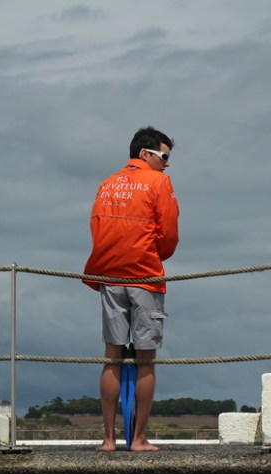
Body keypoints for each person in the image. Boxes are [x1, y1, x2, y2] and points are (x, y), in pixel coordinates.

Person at [83, 126, 179, 452]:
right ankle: (138, 439)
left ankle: (108, 440)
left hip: (109, 277)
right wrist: (153, 255)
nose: (167, 164)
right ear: (145, 154)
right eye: (164, 157)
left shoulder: (106, 184)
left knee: (112, 358)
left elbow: (97, 228)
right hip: (144, 276)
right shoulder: (159, 182)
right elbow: (168, 236)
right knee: (145, 359)